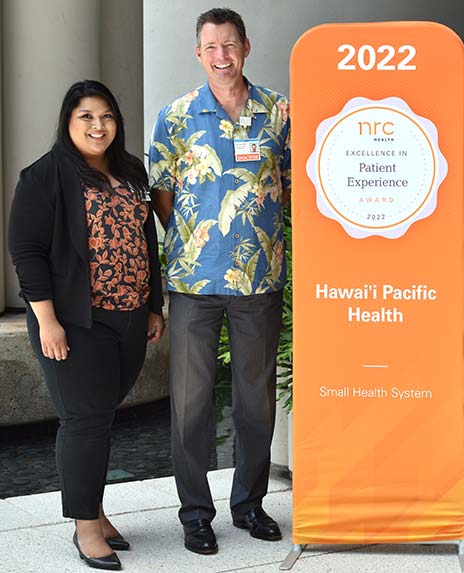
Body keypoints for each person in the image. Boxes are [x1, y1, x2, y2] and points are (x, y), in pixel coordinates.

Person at [148, 7, 290, 555]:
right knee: (191, 403)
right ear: (198, 53)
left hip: (261, 281)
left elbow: (292, 184)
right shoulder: (177, 116)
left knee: (255, 401)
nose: (222, 57)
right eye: (211, 47)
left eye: (230, 46)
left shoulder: (278, 112)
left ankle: (250, 504)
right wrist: (196, 241)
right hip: (192, 283)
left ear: (246, 48)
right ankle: (195, 513)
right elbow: (162, 195)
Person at [8, 80, 165, 571]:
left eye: (107, 116)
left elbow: (146, 240)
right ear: (68, 123)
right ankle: (85, 527)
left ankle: (94, 506)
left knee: (101, 416)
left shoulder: (131, 170)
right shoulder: (46, 175)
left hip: (131, 315)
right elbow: (26, 252)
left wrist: (154, 304)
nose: (98, 126)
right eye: (86, 117)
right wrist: (47, 321)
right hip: (76, 322)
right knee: (84, 420)